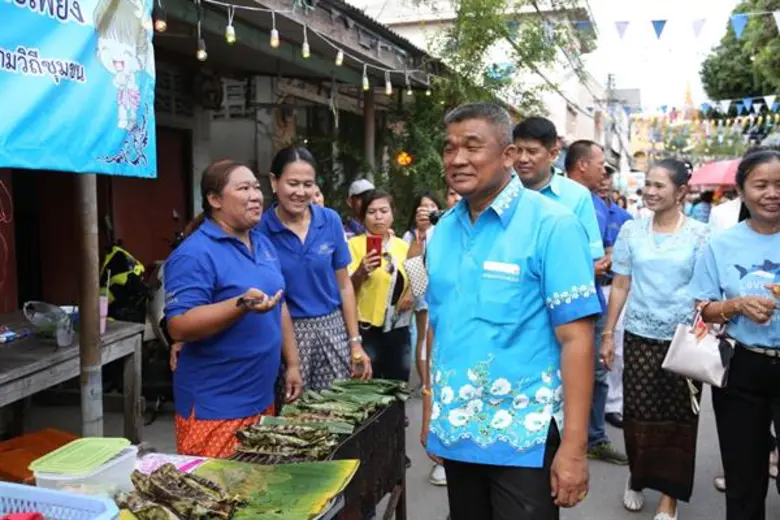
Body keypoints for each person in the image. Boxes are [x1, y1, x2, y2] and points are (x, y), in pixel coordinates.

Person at [422, 103, 601, 519]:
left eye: (472, 146)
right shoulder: (443, 230)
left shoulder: (552, 226)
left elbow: (577, 339)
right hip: (459, 429)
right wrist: (432, 406)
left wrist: (574, 449)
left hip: (526, 437)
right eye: (449, 148)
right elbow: (439, 325)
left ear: (507, 156)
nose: (458, 158)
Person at [164, 160, 303, 459]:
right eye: (243, 188)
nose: (256, 195)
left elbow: (280, 304)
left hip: (261, 399)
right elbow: (179, 325)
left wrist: (292, 363)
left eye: (256, 187)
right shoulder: (194, 254)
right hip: (216, 408)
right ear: (215, 200)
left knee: (254, 493)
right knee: (219, 498)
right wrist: (240, 305)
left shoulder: (262, 243)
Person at [600, 159, 709, 520]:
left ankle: (669, 497)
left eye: (660, 185)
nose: (650, 191)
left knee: (680, 420)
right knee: (638, 416)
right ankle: (638, 476)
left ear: (680, 192)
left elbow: (705, 290)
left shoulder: (700, 235)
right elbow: (620, 284)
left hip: (685, 340)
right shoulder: (632, 231)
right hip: (639, 337)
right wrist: (608, 334)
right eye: (647, 184)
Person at [689, 149, 780, 520]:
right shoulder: (721, 245)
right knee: (744, 477)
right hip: (742, 368)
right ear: (742, 191)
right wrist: (738, 305)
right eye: (761, 185)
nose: (772, 193)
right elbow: (702, 308)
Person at [258, 147, 372, 393]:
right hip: (286, 334)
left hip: (332, 329)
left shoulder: (329, 220)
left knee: (335, 412)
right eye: (293, 183)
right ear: (274, 182)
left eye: (308, 184)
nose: (301, 192)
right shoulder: (260, 230)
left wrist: (355, 343)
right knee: (292, 417)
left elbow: (344, 286)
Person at [565, 139, 629, 466]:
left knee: (598, 372)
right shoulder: (551, 200)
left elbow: (603, 249)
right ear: (581, 165)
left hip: (594, 298)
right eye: (600, 162)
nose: (604, 170)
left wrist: (606, 259)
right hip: (560, 303)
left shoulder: (599, 204)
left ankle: (594, 437)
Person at [512, 117, 606, 262]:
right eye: (518, 151)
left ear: (553, 154)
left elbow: (590, 254)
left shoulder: (577, 196)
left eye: (532, 151)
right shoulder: (500, 190)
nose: (523, 159)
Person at [402, 191, 447, 486]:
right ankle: (442, 457)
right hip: (432, 309)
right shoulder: (414, 239)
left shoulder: (449, 230)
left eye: (433, 208)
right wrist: (420, 235)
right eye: (423, 208)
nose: (429, 212)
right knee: (429, 359)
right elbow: (417, 282)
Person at [348, 190, 414, 381]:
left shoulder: (404, 245)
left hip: (398, 327)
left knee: (398, 383)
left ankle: (398, 413)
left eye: (384, 211)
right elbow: (344, 290)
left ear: (392, 214)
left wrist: (410, 293)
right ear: (363, 217)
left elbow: (420, 280)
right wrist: (361, 272)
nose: (378, 217)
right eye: (372, 212)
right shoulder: (353, 245)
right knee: (368, 384)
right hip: (366, 329)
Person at [596, 166, 633, 430]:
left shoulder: (624, 218)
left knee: (616, 349)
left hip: (615, 287)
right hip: (589, 286)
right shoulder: (584, 207)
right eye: (601, 174)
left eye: (609, 175)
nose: (604, 180)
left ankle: (613, 403)